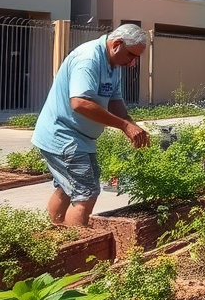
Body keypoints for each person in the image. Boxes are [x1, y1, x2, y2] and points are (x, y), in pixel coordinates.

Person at [32, 24, 150, 226]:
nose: (132, 63)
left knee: (67, 188)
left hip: (78, 138)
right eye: (131, 55)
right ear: (117, 44)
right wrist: (123, 126)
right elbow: (79, 103)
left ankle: (53, 241)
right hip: (63, 135)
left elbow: (114, 101)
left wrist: (131, 125)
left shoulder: (113, 64)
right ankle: (75, 250)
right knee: (86, 193)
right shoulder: (88, 59)